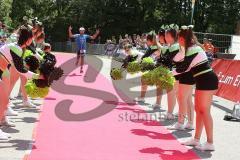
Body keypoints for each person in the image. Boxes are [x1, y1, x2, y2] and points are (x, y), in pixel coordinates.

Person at [174, 26, 218, 151]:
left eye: (179, 39)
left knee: (204, 111)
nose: (178, 42)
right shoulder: (190, 49)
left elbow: (183, 68)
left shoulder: (194, 49)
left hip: (207, 80)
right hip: (201, 80)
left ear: (182, 38)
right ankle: (196, 139)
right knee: (199, 110)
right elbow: (184, 67)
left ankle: (210, 142)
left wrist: (166, 73)